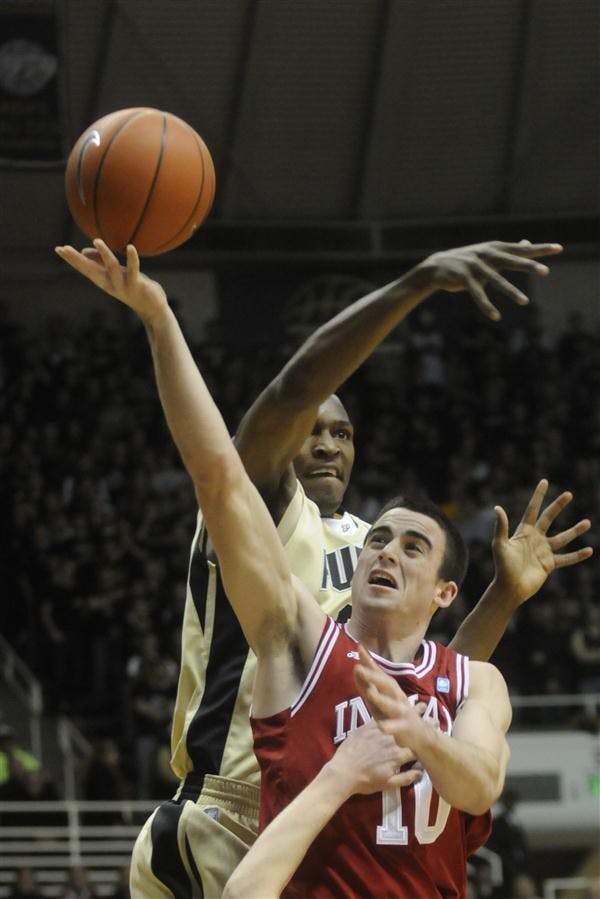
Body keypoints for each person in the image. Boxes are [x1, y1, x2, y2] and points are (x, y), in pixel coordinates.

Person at [55, 238, 592, 896]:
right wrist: (412, 284)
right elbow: (260, 425)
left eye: (344, 433)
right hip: (238, 809)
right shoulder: (269, 518)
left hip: (342, 810)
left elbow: (431, 688)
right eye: (314, 428)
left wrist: (503, 596)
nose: (329, 443)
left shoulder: (374, 546)